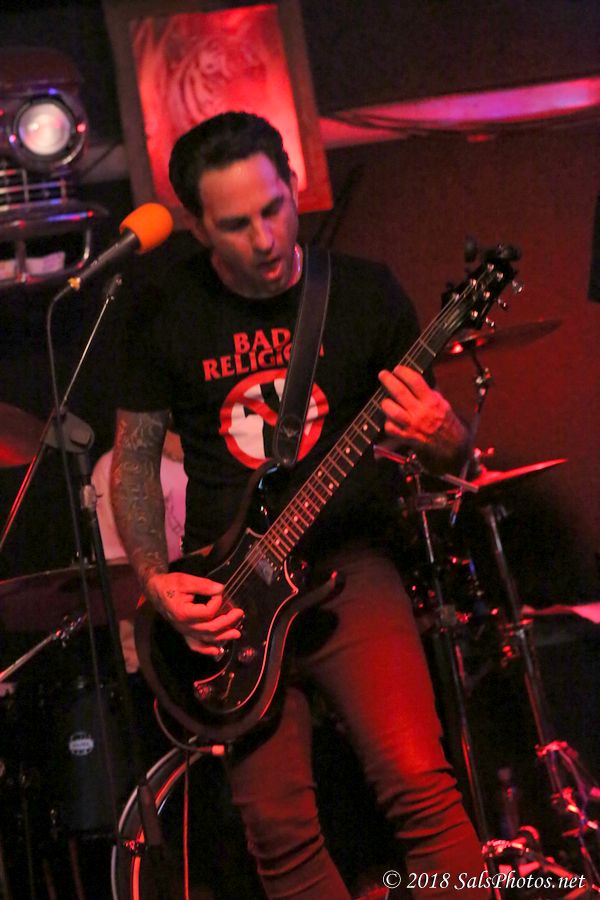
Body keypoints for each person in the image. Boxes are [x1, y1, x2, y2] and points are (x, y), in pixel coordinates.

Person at [110, 111, 490, 899]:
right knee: (277, 829)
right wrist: (154, 579)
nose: (264, 238)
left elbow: (446, 452)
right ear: (196, 226)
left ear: (292, 183)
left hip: (350, 568)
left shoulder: (363, 293)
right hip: (232, 592)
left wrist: (449, 436)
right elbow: (135, 461)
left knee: (418, 782)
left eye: (274, 207)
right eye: (235, 224)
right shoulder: (161, 312)